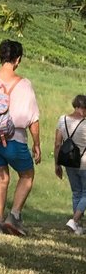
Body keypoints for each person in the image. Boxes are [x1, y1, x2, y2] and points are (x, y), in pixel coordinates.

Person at [0, 40, 40, 237]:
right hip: (14, 139)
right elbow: (33, 119)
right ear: (17, 60)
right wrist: (37, 144)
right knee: (27, 175)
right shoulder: (24, 85)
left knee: (1, 178)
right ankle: (14, 215)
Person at [54, 94, 86, 234]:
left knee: (76, 192)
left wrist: (57, 164)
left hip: (69, 162)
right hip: (84, 163)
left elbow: (57, 144)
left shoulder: (62, 120)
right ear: (83, 108)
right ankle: (74, 220)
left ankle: (77, 226)